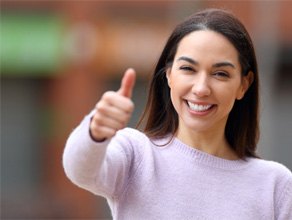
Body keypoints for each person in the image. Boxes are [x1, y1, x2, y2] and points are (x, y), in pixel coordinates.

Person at [63, 8, 292, 220]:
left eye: (220, 73)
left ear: (244, 84)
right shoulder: (136, 154)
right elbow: (80, 171)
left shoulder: (275, 185)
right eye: (188, 69)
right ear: (169, 75)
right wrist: (95, 131)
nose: (201, 88)